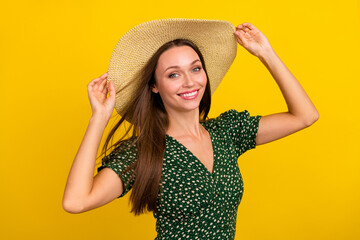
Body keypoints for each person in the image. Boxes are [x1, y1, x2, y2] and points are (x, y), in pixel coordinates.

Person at [63, 18, 319, 239]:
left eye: (196, 68)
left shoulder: (227, 132)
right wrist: (99, 117)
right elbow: (76, 201)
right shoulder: (146, 151)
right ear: (154, 86)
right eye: (173, 74)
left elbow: (305, 116)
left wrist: (266, 53)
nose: (189, 82)